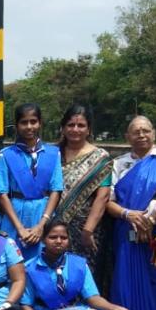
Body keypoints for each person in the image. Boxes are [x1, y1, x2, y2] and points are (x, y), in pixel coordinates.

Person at [107, 115, 156, 310]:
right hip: (126, 236)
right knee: (126, 286)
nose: (141, 135)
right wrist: (128, 214)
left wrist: (149, 216)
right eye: (135, 131)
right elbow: (108, 202)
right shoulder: (118, 164)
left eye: (146, 130)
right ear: (127, 136)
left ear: (154, 133)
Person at [20, 221, 133, 310]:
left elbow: (93, 298)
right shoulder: (30, 269)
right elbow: (26, 305)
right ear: (43, 240)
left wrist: (114, 308)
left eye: (63, 238)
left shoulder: (79, 264)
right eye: (53, 237)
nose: (58, 241)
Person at [55, 104, 112, 287]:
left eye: (81, 126)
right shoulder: (53, 154)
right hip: (54, 228)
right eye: (70, 125)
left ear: (89, 129)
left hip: (86, 229)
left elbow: (102, 196)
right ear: (63, 128)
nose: (75, 130)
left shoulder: (100, 158)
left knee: (85, 276)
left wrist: (88, 230)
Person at [0, 102, 63, 261]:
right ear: (17, 125)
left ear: (40, 123)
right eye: (24, 122)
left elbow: (56, 190)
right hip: (15, 216)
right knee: (13, 262)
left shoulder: (53, 154)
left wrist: (41, 225)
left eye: (33, 121)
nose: (29, 126)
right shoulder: (6, 155)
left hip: (43, 214)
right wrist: (19, 228)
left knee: (42, 263)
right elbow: (2, 193)